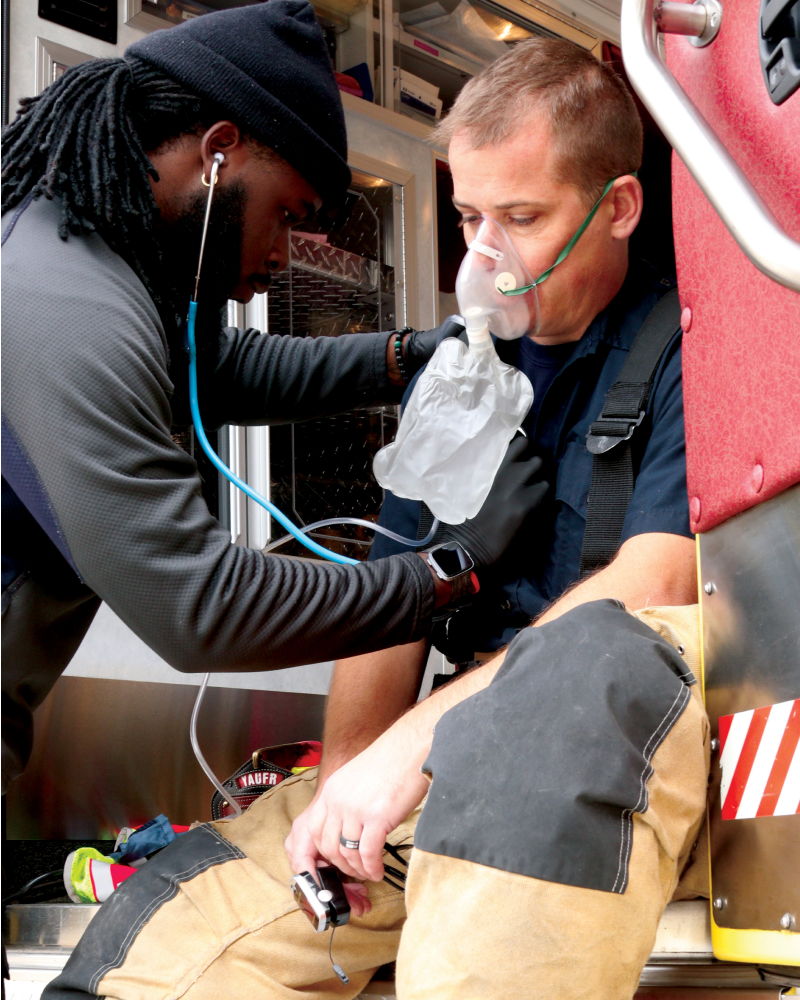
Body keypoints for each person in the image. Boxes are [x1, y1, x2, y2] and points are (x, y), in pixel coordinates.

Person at [43, 38, 710, 1000]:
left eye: (521, 218)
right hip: (443, 762)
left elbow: (657, 584)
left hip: (582, 758)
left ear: (617, 210)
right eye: (471, 215)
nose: (487, 256)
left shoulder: (691, 347)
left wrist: (412, 745)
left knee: (591, 666)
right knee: (165, 945)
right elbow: (389, 600)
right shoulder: (466, 376)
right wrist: (349, 783)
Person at [0, 1, 549, 792]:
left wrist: (407, 356)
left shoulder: (92, 252)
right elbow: (202, 605)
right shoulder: (63, 307)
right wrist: (450, 569)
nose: (286, 257)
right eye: (285, 216)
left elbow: (220, 368)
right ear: (219, 151)